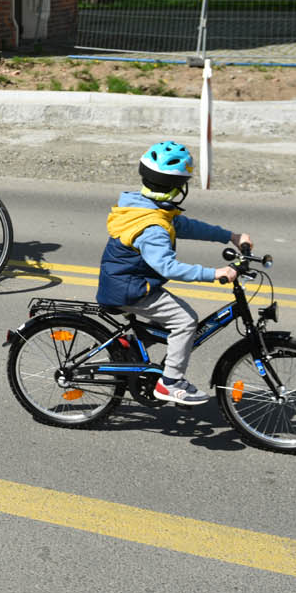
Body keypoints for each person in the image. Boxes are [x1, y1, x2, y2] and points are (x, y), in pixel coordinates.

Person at [95, 141, 251, 406]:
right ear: (180, 187)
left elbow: (185, 226)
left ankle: (132, 347)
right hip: (130, 289)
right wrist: (214, 274)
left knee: (169, 319)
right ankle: (170, 383)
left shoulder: (145, 206)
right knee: (185, 321)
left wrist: (229, 236)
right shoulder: (153, 227)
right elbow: (167, 267)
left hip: (131, 282)